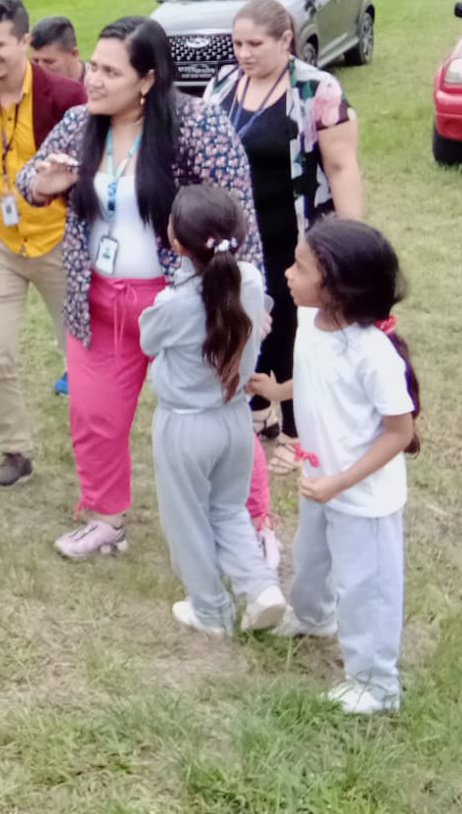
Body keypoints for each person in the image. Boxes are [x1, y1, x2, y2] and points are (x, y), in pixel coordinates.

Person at [21, 16, 262, 559]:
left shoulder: (196, 124)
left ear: (148, 79)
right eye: (95, 67)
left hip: (184, 301)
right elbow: (29, 176)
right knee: (93, 414)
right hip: (98, 300)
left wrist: (252, 299)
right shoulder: (80, 123)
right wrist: (40, 184)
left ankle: (251, 521)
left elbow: (236, 215)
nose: (94, 80)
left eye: (111, 72)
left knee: (214, 411)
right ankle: (106, 518)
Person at [202, 0, 363, 471]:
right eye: (237, 44)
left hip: (296, 236)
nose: (244, 53)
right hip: (238, 240)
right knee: (246, 319)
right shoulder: (222, 84)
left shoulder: (317, 90)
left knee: (296, 329)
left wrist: (349, 242)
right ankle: (258, 407)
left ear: (285, 39)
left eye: (255, 44)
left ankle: (297, 430)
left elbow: (341, 167)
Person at [269, 220, 419, 715]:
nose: (288, 273)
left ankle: (375, 685)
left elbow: (399, 432)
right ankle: (312, 617)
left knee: (365, 588)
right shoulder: (310, 320)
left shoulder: (372, 353)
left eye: (300, 268)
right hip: (323, 482)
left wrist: (341, 481)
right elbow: (315, 376)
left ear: (335, 288)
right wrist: (278, 391)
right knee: (311, 556)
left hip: (362, 497)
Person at [0, 0, 87, 488]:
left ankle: (94, 447)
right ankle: (14, 450)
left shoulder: (65, 95)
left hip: (58, 239)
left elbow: (90, 163)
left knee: (81, 354)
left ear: (25, 42)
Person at [138, 185, 287, 636]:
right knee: (229, 509)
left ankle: (210, 610)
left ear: (177, 242)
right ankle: (260, 588)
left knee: (186, 518)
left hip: (185, 425)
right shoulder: (252, 280)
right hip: (235, 418)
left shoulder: (173, 304)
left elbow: (147, 341)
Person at [30, 15, 86, 83]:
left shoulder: (94, 86)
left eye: (49, 62)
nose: (39, 71)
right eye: (35, 61)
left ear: (74, 54)